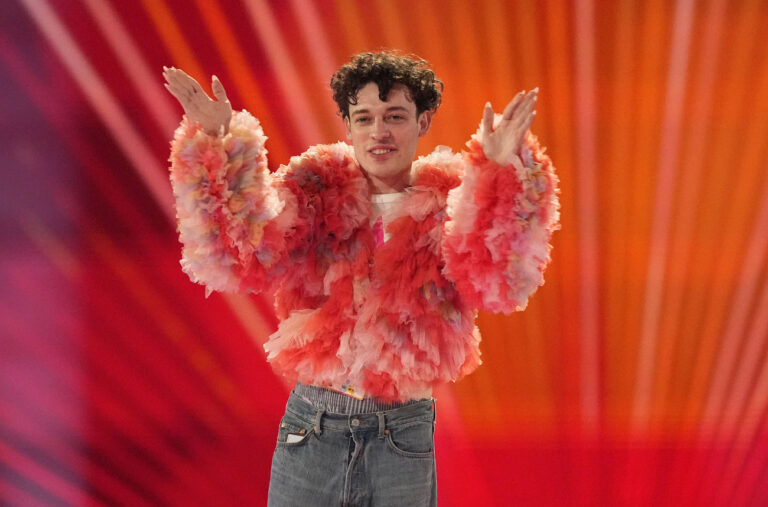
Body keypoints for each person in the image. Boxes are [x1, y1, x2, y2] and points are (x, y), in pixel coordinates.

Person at [163, 51, 559, 507]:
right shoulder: (313, 188)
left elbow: (497, 280)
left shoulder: (454, 201)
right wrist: (217, 142)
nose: (379, 132)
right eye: (364, 118)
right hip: (312, 427)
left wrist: (503, 173)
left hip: (402, 430)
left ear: (423, 120)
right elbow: (240, 255)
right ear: (348, 127)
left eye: (395, 116)